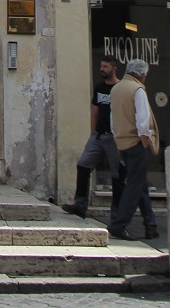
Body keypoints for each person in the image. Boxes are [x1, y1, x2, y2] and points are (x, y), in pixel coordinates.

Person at [62, 56, 124, 220]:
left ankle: (117, 213)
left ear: (114, 68)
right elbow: (95, 111)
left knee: (117, 175)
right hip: (98, 135)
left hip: (114, 137)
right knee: (83, 165)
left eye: (105, 66)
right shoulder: (99, 88)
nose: (102, 69)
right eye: (101, 66)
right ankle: (80, 205)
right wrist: (93, 133)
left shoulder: (120, 89)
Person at [108, 58, 158, 241]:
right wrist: (145, 141)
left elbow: (113, 118)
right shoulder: (137, 89)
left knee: (140, 184)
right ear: (143, 75)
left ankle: (150, 225)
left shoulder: (116, 88)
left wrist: (117, 139)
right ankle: (119, 225)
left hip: (122, 142)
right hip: (136, 142)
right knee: (135, 186)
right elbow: (143, 119)